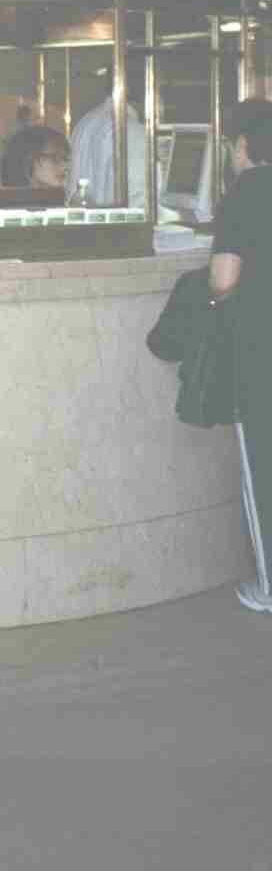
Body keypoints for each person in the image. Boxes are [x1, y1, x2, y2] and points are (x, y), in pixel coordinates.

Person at [207, 98, 272, 614]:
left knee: (264, 466)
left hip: (259, 347)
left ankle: (268, 587)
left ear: (244, 144)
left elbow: (224, 280)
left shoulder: (246, 192)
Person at [68, 68, 146, 208]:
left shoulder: (85, 121)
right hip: (119, 228)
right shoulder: (132, 131)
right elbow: (139, 202)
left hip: (85, 226)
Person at [0, 125, 70, 192]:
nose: (65, 166)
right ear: (29, 160)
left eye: (65, 159)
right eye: (55, 158)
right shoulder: (15, 203)